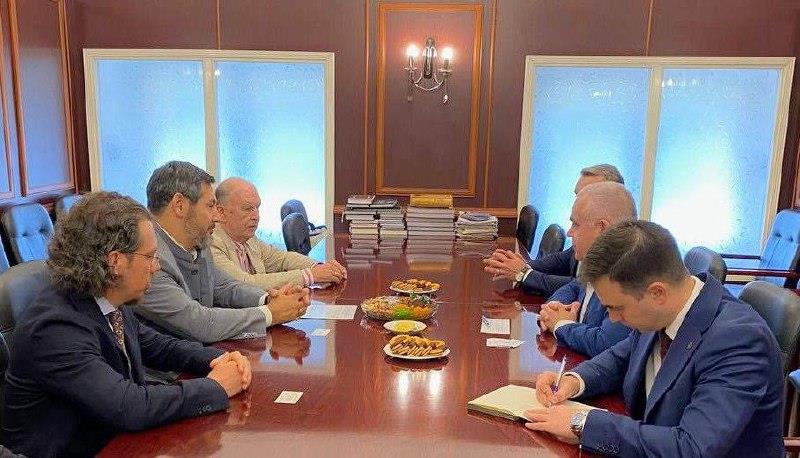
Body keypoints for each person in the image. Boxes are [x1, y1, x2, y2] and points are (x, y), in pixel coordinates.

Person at [3, 192, 252, 457]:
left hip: (114, 441)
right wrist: (215, 387)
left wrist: (219, 359)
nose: (157, 267)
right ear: (115, 262)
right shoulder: (55, 329)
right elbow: (129, 406)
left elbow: (158, 346)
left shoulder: (105, 297)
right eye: (151, 257)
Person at [525, 221, 783, 457]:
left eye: (617, 308)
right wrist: (573, 381)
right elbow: (620, 358)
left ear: (657, 293)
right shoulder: (662, 311)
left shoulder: (738, 340)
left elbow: (691, 448)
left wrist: (583, 423)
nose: (612, 318)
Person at [131, 161, 310, 343]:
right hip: (173, 361)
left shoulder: (198, 241)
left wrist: (269, 299)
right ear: (179, 205)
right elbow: (199, 323)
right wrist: (270, 313)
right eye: (210, 206)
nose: (217, 217)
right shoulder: (147, 258)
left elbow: (225, 287)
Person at [483, 164, 624, 296]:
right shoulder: (587, 233)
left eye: (585, 195)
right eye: (577, 195)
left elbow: (581, 287)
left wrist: (524, 273)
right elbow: (561, 260)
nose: (577, 201)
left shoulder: (620, 249)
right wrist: (520, 265)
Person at [537, 182, 635, 357]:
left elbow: (605, 344)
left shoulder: (628, 274)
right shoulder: (599, 263)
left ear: (602, 228)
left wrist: (561, 325)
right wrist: (554, 308)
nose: (569, 232)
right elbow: (575, 286)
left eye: (575, 224)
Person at [212, 177, 347, 291]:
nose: (256, 216)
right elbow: (244, 284)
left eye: (257, 208)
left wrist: (319, 267)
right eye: (247, 209)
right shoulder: (212, 244)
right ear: (221, 212)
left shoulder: (248, 238)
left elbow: (282, 259)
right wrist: (310, 275)